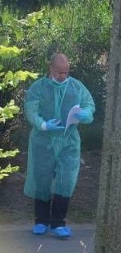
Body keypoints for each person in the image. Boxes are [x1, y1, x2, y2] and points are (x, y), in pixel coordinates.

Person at [23, 53, 95, 238]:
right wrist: (44, 125)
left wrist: (85, 115)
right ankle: (41, 221)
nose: (63, 76)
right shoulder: (38, 87)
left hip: (68, 142)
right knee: (42, 179)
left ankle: (58, 223)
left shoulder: (77, 87)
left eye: (66, 72)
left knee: (66, 180)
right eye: (59, 72)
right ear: (51, 69)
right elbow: (31, 111)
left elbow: (89, 104)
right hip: (42, 141)